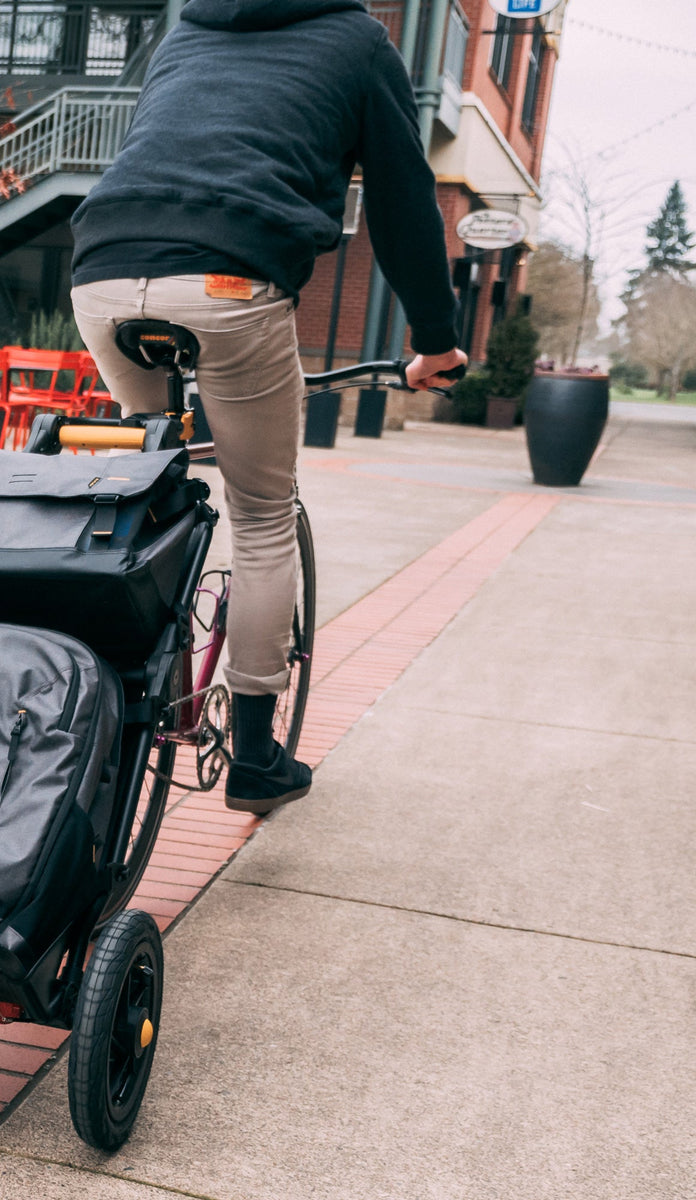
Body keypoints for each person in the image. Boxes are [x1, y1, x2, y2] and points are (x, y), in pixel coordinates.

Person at [70, 0, 468, 816]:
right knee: (260, 514)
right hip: (230, 281)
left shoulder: (191, 26)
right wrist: (435, 339)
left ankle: (117, 706)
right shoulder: (358, 40)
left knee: (147, 495)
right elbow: (401, 199)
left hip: (103, 272)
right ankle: (254, 757)